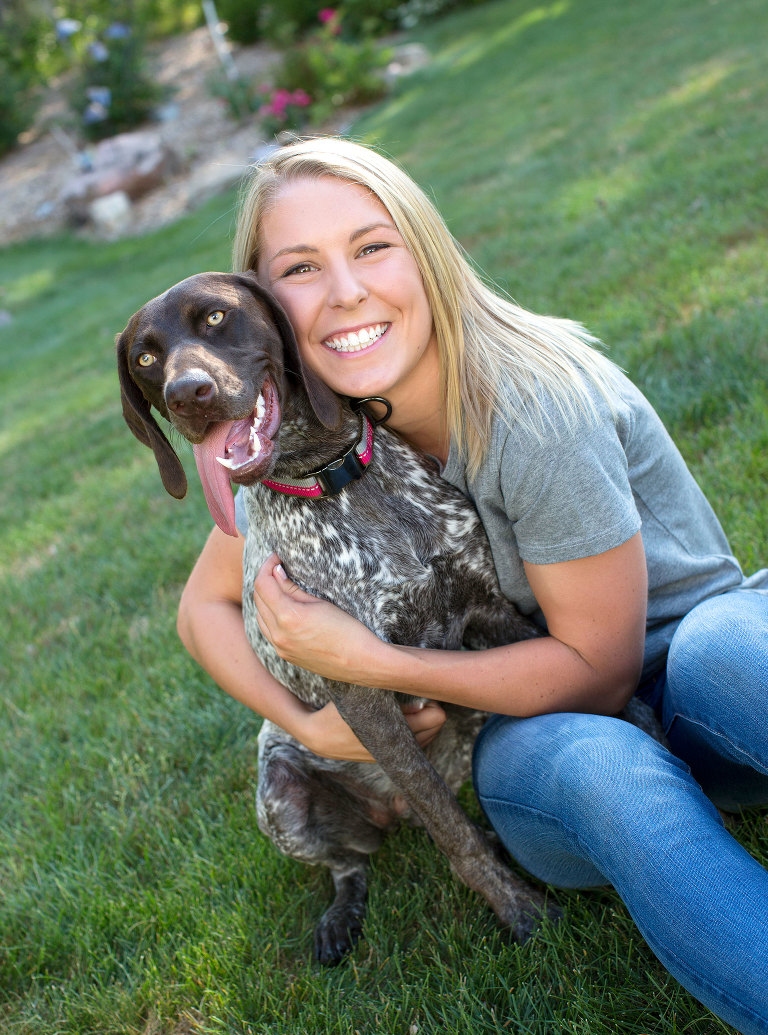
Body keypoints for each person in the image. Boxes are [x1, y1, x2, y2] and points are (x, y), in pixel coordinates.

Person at [177, 136, 768, 1033]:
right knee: (605, 772)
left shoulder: (534, 409)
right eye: (301, 268)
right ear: (263, 312)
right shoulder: (323, 443)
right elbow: (202, 605)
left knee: (728, 650)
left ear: (430, 250)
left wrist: (379, 663)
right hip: (543, 740)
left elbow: (603, 671)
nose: (344, 292)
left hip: (680, 676)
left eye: (373, 246)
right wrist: (308, 720)